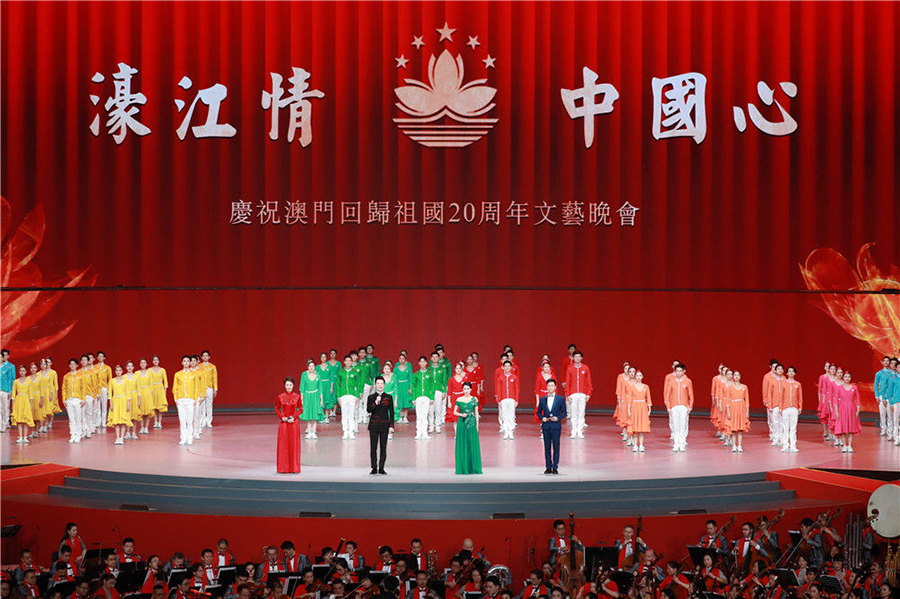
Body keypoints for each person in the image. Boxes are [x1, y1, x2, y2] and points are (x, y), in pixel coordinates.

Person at [538, 379, 566, 474]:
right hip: (546, 426)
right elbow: (538, 412)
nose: (550, 388)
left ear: (555, 387)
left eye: (552, 386)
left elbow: (564, 412)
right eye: (548, 386)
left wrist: (557, 418)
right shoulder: (542, 399)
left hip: (556, 426)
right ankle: (548, 467)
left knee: (556, 447)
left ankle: (555, 467)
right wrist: (542, 418)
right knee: (547, 447)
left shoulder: (560, 399)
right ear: (546, 387)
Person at [367, 376, 394, 475]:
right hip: (374, 425)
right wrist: (375, 402)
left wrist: (391, 426)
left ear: (384, 385)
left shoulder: (388, 397)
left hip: (384, 425)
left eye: (382, 383)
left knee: (383, 447)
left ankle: (381, 467)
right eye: (378, 383)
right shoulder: (371, 397)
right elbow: (369, 410)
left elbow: (391, 412)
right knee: (373, 447)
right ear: (375, 385)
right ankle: (374, 467)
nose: (380, 385)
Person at [664, 363, 693, 452]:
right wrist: (668, 407)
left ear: (684, 371)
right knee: (675, 425)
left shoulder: (688, 381)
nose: (679, 373)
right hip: (674, 406)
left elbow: (691, 395)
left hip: (684, 406)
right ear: (675, 371)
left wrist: (690, 407)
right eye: (677, 371)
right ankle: (676, 444)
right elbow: (667, 396)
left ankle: (682, 443)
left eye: (680, 371)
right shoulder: (671, 382)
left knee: (683, 425)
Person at [454, 382, 482, 475]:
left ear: (470, 389)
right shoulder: (459, 399)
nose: (466, 391)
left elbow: (476, 413)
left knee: (471, 444)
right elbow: (454, 412)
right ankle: (463, 467)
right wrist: (461, 414)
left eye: (467, 389)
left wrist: (477, 426)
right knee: (463, 443)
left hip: (472, 423)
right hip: (461, 423)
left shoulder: (474, 399)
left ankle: (472, 467)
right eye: (464, 389)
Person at [276, 377, 302, 473]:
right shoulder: (280, 397)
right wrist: (282, 417)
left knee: (293, 445)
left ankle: (294, 468)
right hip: (283, 424)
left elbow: (301, 409)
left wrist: (294, 417)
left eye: (290, 385)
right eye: (287, 385)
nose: (289, 387)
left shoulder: (297, 397)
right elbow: (276, 408)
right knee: (283, 444)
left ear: (293, 385)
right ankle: (283, 468)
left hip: (293, 423)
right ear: (284, 386)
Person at [564, 351, 592, 439]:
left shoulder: (585, 368)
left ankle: (580, 431)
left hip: (583, 394)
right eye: (575, 357)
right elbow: (567, 382)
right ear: (573, 358)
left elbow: (589, 381)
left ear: (581, 358)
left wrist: (588, 394)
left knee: (581, 413)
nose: (577, 358)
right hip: (573, 394)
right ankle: (574, 431)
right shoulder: (570, 368)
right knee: (574, 413)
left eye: (579, 357)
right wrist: (568, 395)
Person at [832, 371, 861, 453]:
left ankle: (850, 446)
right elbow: (835, 400)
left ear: (850, 378)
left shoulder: (854, 387)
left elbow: (858, 399)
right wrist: (836, 411)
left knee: (851, 428)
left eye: (848, 377)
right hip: (842, 409)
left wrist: (858, 410)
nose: (847, 378)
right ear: (843, 378)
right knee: (843, 428)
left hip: (852, 409)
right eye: (845, 377)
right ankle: (845, 445)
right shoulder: (839, 387)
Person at [173, 356, 196, 446]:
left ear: (190, 363)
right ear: (182, 363)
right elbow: (175, 387)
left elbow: (196, 387)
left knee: (190, 420)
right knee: (182, 420)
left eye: (187, 361)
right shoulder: (178, 374)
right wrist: (176, 398)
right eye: (184, 361)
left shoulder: (194, 374)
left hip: (190, 399)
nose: (186, 363)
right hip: (181, 399)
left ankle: (190, 438)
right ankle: (183, 438)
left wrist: (195, 399)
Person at [106, 365, 133, 445]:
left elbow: (128, 393)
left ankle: (121, 437)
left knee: (123, 421)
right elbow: (110, 393)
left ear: (122, 371)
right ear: (115, 371)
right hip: (115, 401)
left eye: (120, 370)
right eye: (117, 370)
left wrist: (128, 403)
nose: (118, 372)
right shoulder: (112, 381)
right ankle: (117, 437)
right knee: (116, 421)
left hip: (123, 401)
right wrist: (111, 403)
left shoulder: (125, 381)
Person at [336, 355, 360, 440]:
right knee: (344, 415)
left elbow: (358, 385)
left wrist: (357, 396)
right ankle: (345, 432)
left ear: (352, 362)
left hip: (352, 395)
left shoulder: (355, 372)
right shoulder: (340, 372)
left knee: (351, 415)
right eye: (346, 361)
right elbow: (338, 385)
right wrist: (339, 396)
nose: (348, 362)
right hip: (343, 396)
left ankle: (351, 432)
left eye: (350, 361)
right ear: (344, 362)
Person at [299, 360, 325, 439]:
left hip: (315, 397)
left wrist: (321, 400)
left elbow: (320, 388)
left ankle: (313, 432)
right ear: (307, 367)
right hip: (307, 396)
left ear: (315, 367)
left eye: (313, 366)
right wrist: (301, 399)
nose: (311, 367)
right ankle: (309, 432)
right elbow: (302, 388)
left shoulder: (318, 376)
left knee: (314, 416)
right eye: (310, 366)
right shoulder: (304, 376)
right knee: (309, 416)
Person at [725, 371, 749, 452]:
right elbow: (727, 400)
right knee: (733, 429)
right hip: (733, 408)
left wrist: (747, 411)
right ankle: (734, 445)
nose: (736, 376)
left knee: (740, 428)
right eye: (735, 375)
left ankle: (739, 445)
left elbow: (747, 400)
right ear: (733, 377)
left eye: (738, 375)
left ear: (740, 376)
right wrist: (728, 412)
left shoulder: (744, 387)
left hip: (741, 408)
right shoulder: (730, 387)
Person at [495, 360, 519, 440]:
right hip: (503, 399)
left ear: (511, 367)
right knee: (504, 416)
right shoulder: (500, 377)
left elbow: (517, 389)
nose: (507, 368)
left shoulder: (514, 377)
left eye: (509, 366)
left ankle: (511, 431)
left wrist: (516, 400)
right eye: (505, 366)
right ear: (503, 367)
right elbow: (498, 389)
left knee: (511, 415)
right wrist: (499, 400)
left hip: (512, 399)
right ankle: (506, 432)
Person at [780, 367, 803, 452]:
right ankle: (785, 445)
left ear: (795, 373)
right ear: (786, 373)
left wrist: (800, 407)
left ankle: (793, 445)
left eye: (792, 371)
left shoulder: (798, 384)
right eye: (789, 371)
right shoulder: (783, 383)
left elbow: (800, 397)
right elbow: (781, 396)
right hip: (785, 408)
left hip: (794, 408)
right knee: (785, 427)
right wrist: (780, 407)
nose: (790, 373)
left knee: (793, 428)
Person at [628, 372, 651, 452]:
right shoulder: (632, 387)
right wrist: (629, 409)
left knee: (642, 426)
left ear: (642, 377)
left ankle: (641, 445)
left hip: (643, 406)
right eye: (637, 376)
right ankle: (635, 445)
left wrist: (649, 408)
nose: (638, 377)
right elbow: (629, 399)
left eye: (640, 376)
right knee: (635, 426)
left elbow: (648, 398)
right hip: (635, 406)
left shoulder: (646, 387)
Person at [412, 356, 434, 440]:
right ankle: (418, 432)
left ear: (427, 363)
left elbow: (432, 387)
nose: (422, 363)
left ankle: (425, 432)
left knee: (425, 416)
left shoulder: (430, 374)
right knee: (419, 416)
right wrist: (413, 398)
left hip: (427, 397)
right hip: (418, 397)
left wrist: (432, 397)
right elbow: (413, 386)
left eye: (424, 361)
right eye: (421, 362)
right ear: (418, 363)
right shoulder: (416, 374)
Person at [199, 350, 218, 429]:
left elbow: (214, 378)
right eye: (204, 356)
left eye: (207, 356)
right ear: (201, 357)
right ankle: (202, 421)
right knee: (202, 405)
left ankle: (209, 421)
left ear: (209, 357)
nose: (205, 357)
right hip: (201, 388)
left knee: (209, 405)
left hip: (209, 388)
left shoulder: (212, 366)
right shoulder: (199, 366)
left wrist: (215, 389)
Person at [393, 352, 414, 424]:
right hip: (399, 386)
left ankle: (405, 417)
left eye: (403, 359)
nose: (401, 360)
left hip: (406, 385)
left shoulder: (408, 368)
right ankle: (400, 416)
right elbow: (394, 378)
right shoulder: (396, 368)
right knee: (399, 401)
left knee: (406, 401)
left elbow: (411, 378)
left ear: (405, 360)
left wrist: (411, 388)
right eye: (400, 358)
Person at [317, 353, 336, 425]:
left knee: (327, 401)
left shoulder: (329, 367)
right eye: (322, 357)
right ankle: (322, 417)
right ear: (320, 358)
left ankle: (326, 417)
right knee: (321, 401)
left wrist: (331, 387)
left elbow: (332, 378)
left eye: (324, 357)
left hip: (327, 385)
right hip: (320, 385)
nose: (323, 358)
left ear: (326, 358)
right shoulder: (317, 367)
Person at [150, 355, 168, 430]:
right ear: (152, 361)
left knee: (160, 406)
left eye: (157, 360)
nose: (155, 361)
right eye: (154, 360)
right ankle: (155, 421)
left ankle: (159, 422)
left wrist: (165, 391)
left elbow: (165, 382)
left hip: (160, 388)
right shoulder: (149, 370)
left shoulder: (162, 370)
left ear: (159, 361)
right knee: (154, 405)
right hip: (152, 389)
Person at [136, 358, 154, 435]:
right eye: (141, 363)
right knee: (140, 411)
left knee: (147, 412)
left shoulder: (150, 373)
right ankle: (141, 427)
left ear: (146, 364)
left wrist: (151, 396)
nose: (142, 364)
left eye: (144, 363)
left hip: (147, 392)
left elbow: (151, 385)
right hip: (139, 393)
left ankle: (146, 427)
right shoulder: (136, 373)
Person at [0, 349, 14, 433]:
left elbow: (11, 379)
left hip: (6, 390)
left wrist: (10, 391)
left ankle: (5, 424)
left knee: (5, 408)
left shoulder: (9, 367)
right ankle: (1, 424)